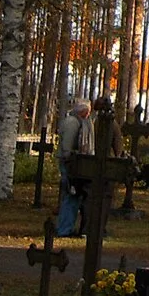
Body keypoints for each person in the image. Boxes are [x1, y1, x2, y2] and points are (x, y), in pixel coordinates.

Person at [55, 98, 93, 236]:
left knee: (73, 197)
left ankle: (66, 227)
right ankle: (64, 229)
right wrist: (71, 160)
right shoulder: (73, 123)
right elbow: (67, 148)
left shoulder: (76, 122)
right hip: (70, 165)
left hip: (72, 164)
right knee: (71, 196)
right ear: (84, 111)